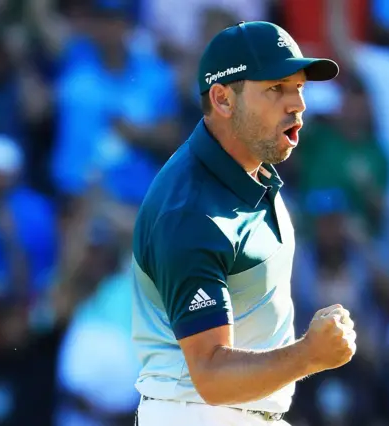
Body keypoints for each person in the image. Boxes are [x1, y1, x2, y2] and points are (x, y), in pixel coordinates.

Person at [131, 21, 356, 426]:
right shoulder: (191, 211)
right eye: (276, 88)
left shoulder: (254, 170)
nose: (297, 105)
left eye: (299, 87)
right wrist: (310, 355)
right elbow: (212, 376)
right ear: (222, 99)